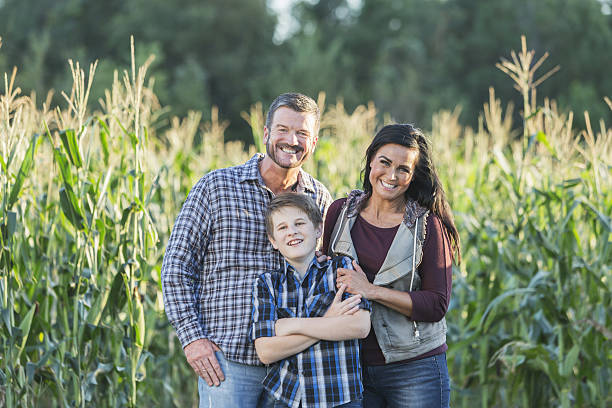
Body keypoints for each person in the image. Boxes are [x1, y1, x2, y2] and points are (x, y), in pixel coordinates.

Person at [161, 93, 333, 407]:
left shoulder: (318, 197)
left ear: (315, 141)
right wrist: (193, 339)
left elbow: (322, 271)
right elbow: (176, 267)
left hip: (294, 365)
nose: (291, 140)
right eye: (282, 130)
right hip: (227, 362)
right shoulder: (216, 187)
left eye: (302, 134)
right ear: (266, 133)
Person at [322, 124, 460, 408]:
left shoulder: (428, 227)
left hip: (414, 368)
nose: (392, 176)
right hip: (350, 365)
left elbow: (436, 304)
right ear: (371, 159)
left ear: (413, 175)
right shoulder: (339, 213)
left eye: (403, 169)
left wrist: (371, 290)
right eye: (384, 163)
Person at [251, 193, 371, 408]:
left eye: (299, 223)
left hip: (340, 396)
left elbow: (359, 326)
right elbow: (266, 351)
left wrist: (291, 325)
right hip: (285, 397)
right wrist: (330, 320)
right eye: (282, 228)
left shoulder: (341, 267)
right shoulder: (268, 283)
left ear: (317, 229)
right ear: (273, 241)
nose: (292, 232)